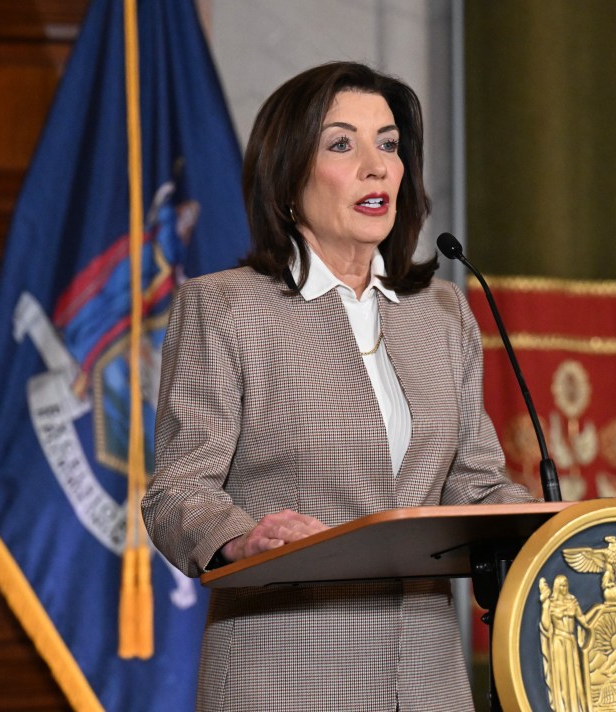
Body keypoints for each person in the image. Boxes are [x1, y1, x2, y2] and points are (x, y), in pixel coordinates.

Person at [142, 61, 534, 712]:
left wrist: (567, 524)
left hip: (431, 681)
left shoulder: (441, 313)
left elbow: (475, 482)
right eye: (342, 144)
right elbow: (177, 491)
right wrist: (241, 538)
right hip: (283, 675)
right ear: (289, 175)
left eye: (388, 143)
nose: (376, 166)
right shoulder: (226, 307)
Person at [538, 575, 588, 712]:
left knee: (576, 680)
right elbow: (546, 625)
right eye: (562, 586)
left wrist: (599, 612)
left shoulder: (572, 601)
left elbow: (583, 620)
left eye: (566, 585)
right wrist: (545, 607)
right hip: (559, 642)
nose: (564, 588)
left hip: (570, 642)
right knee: (562, 680)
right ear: (556, 587)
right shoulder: (551, 603)